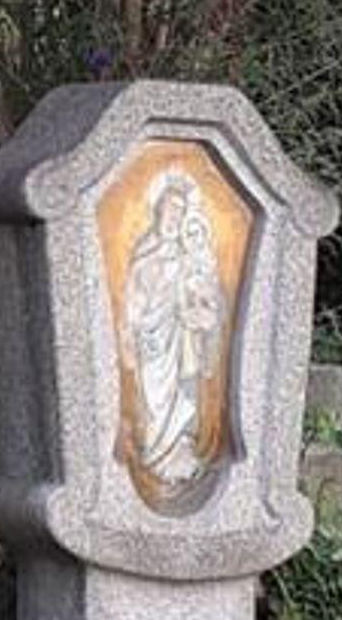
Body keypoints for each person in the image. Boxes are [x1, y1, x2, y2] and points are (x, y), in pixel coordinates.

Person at [119, 171, 227, 501]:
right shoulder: (144, 258)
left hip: (184, 346)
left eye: (179, 213)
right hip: (153, 345)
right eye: (168, 210)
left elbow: (211, 301)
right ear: (157, 212)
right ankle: (156, 454)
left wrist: (205, 318)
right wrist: (134, 333)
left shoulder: (191, 260)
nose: (172, 218)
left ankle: (181, 451)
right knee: (155, 401)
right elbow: (132, 306)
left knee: (185, 397)